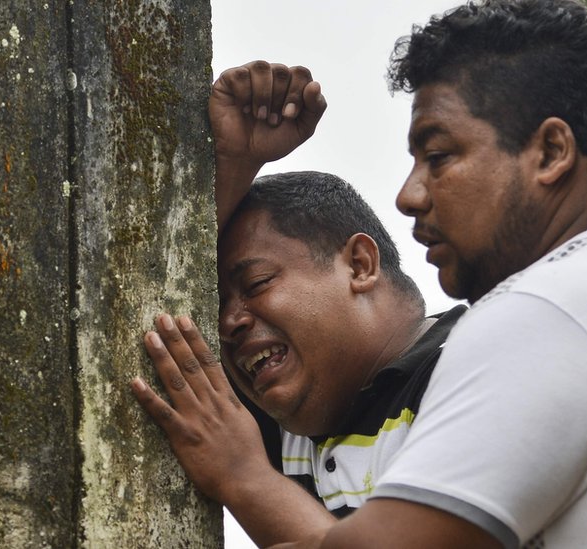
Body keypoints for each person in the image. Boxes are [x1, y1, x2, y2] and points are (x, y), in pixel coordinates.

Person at [288, 1, 587, 547]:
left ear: (550, 152)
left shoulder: (547, 310)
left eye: (439, 155)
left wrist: (241, 478)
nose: (409, 195)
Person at [129, 61, 466, 547]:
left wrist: (244, 478)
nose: (227, 322)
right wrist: (235, 159)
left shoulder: (468, 369)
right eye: (219, 304)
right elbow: (147, 312)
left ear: (359, 265)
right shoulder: (284, 415)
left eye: (258, 282)